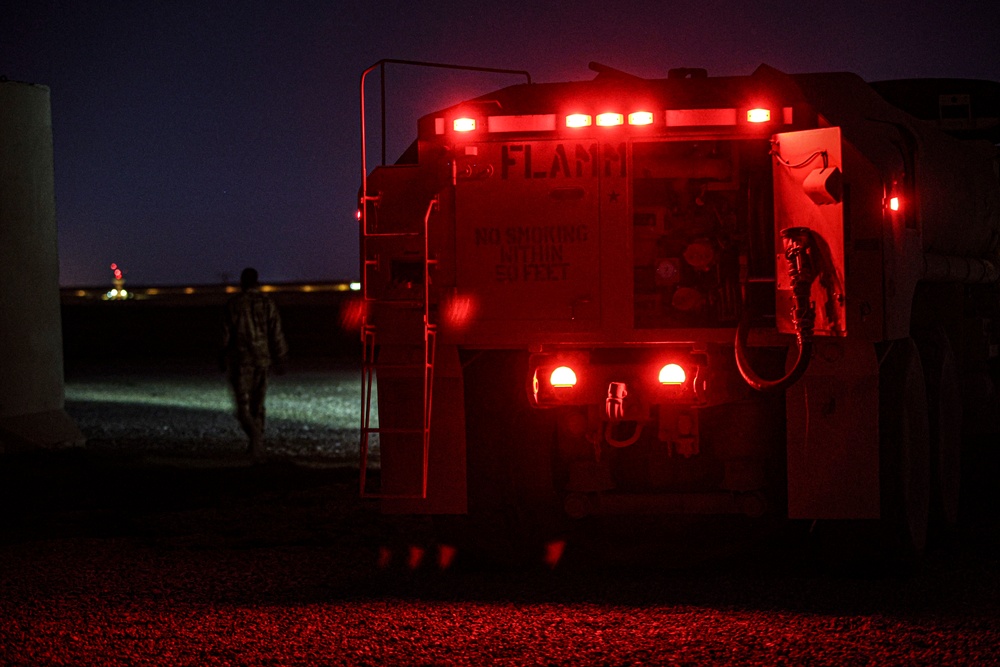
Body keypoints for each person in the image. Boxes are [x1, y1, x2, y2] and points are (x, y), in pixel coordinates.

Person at [220, 267, 288, 459]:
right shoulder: (268, 304)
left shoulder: (234, 304)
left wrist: (221, 355)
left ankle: (255, 441)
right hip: (262, 360)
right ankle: (257, 445)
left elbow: (225, 334)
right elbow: (277, 333)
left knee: (243, 407)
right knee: (258, 405)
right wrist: (281, 357)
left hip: (241, 362)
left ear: (242, 282)